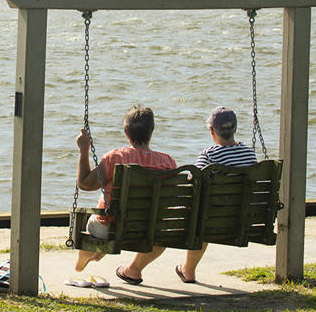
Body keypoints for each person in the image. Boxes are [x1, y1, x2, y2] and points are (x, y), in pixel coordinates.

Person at [74, 104, 177, 285]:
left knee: (96, 222)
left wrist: (84, 149)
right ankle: (134, 270)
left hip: (112, 228)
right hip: (149, 228)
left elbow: (85, 184)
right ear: (151, 131)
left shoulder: (116, 157)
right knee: (158, 234)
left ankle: (88, 255)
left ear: (126, 133)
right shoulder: (167, 162)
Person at [176, 106, 257, 283]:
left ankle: (188, 271)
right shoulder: (249, 154)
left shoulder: (209, 155)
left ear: (212, 131)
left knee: (201, 217)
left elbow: (192, 183)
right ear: (235, 129)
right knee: (207, 213)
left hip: (212, 220)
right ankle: (187, 270)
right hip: (243, 219)